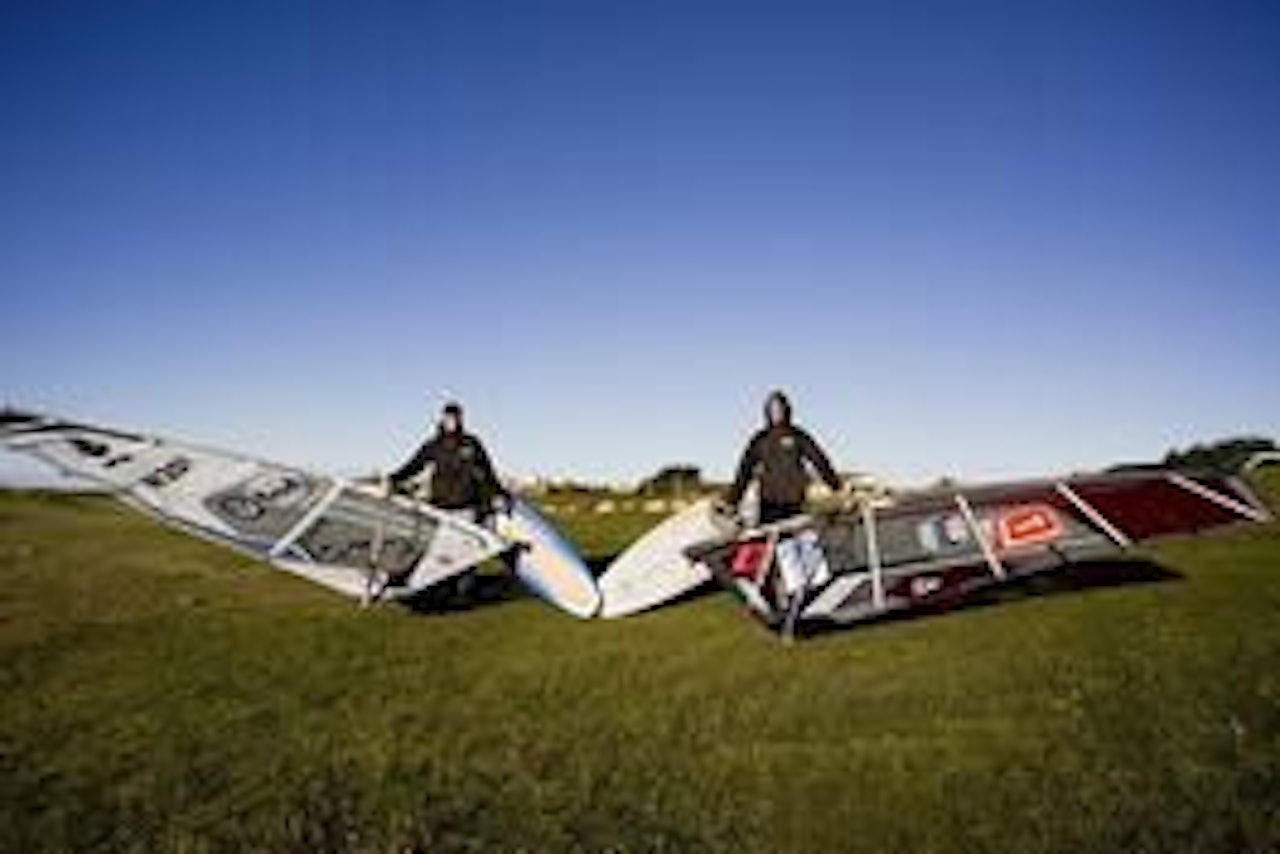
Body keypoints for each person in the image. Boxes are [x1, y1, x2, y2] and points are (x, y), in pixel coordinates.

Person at [386, 401, 512, 597]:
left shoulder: (472, 443)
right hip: (441, 508)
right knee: (439, 551)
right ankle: (432, 585)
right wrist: (393, 478)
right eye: (448, 417)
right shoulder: (434, 445)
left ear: (461, 419)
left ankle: (465, 589)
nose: (452, 421)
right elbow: (414, 465)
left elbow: (488, 472)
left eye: (455, 417)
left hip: (466, 508)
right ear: (443, 419)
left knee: (465, 554)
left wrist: (500, 493)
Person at [723, 390, 843, 525]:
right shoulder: (760, 439)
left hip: (794, 503)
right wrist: (732, 499)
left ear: (786, 410)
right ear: (767, 412)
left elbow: (819, 460)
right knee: (768, 535)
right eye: (773, 409)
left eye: (779, 408)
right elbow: (744, 470)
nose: (777, 413)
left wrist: (836, 485)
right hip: (769, 504)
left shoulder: (798, 436)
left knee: (795, 535)